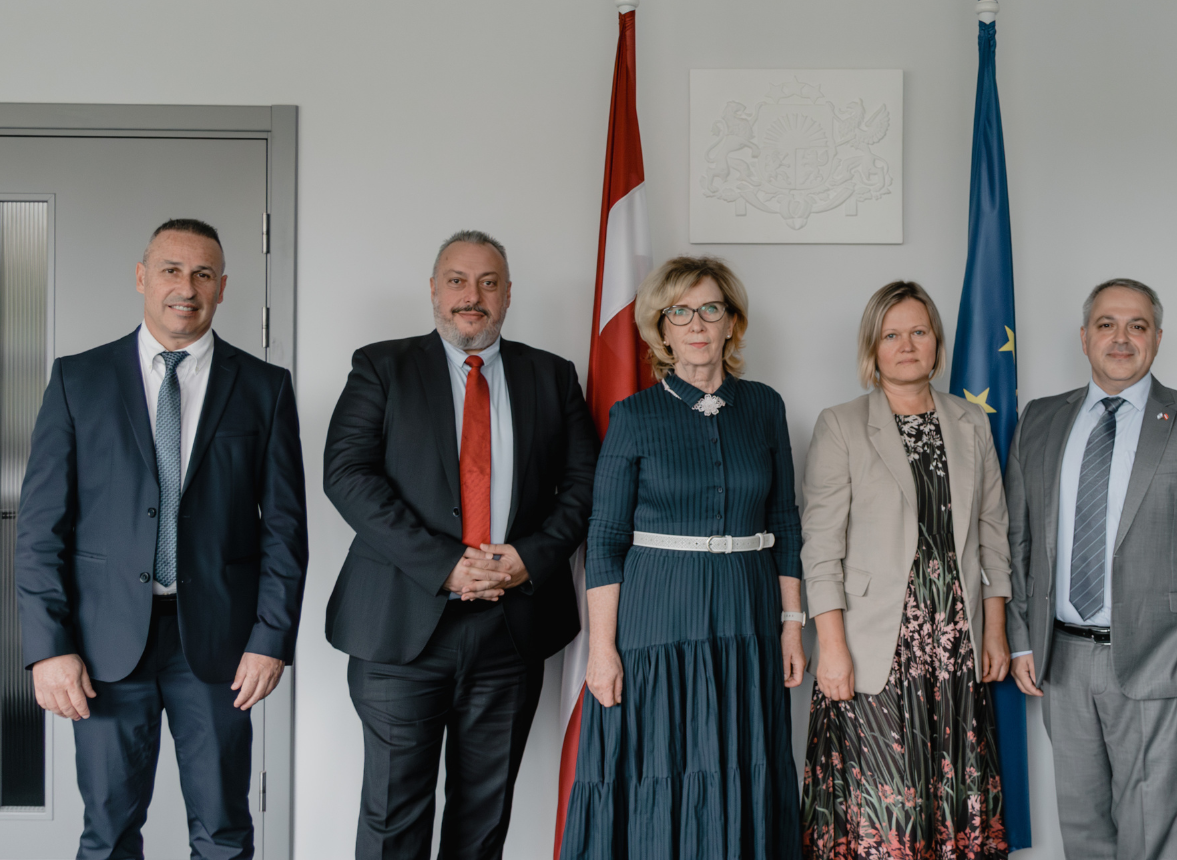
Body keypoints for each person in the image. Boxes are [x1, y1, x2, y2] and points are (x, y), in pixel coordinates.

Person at [16, 219, 309, 859]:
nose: (187, 287)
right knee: (109, 833)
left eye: (203, 274)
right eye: (172, 270)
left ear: (223, 287)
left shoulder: (264, 388)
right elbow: (40, 530)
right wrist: (48, 648)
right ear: (142, 277)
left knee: (225, 833)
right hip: (103, 646)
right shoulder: (78, 380)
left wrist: (271, 640)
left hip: (219, 646)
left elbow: (286, 531)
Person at [322, 230, 598, 859]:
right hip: (399, 629)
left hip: (511, 629)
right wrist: (445, 565)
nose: (471, 297)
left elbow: (585, 486)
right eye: (456, 281)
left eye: (488, 283)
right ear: (433, 290)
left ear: (507, 296)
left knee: (482, 823)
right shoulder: (381, 366)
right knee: (394, 818)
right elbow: (347, 474)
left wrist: (530, 555)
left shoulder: (552, 376)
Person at [560, 256, 804, 860]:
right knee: (660, 762)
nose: (697, 324)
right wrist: (601, 649)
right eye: (680, 312)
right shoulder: (634, 416)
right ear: (661, 329)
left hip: (747, 615)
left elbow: (785, 524)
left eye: (710, 309)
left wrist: (792, 625)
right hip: (658, 619)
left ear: (731, 324)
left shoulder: (766, 407)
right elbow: (607, 537)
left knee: (742, 757)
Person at [1005, 278, 1177, 860]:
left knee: (1153, 829)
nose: (1121, 338)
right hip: (1059, 660)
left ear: (1158, 339)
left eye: (1137, 326)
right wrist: (1022, 642)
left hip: (1160, 659)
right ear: (1085, 338)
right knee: (1083, 826)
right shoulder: (1040, 420)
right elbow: (1017, 540)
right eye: (1107, 325)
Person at [798, 281, 1013, 859]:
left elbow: (994, 532)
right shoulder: (841, 425)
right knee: (886, 815)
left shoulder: (970, 422)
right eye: (892, 334)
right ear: (873, 348)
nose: (907, 345)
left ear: (937, 343)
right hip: (874, 644)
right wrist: (831, 647)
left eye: (919, 332)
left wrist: (994, 630)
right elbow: (820, 548)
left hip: (955, 644)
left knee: (952, 806)